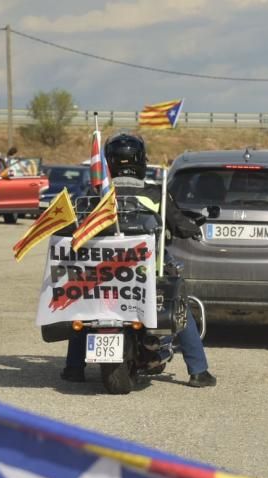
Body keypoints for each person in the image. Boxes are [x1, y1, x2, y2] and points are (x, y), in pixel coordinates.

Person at [61, 132, 217, 388]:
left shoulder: (93, 196)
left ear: (108, 162)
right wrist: (191, 227)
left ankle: (74, 367)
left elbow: (73, 227)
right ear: (141, 160)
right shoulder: (155, 194)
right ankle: (198, 371)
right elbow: (179, 224)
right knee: (180, 306)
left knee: (85, 306)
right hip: (145, 271)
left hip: (100, 270)